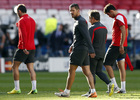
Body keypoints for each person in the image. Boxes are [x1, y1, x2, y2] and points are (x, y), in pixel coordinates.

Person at [55, 3, 97, 98]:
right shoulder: (79, 21)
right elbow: (80, 37)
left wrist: (91, 50)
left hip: (80, 49)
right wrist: (72, 45)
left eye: (73, 10)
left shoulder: (81, 21)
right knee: (87, 71)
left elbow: (86, 36)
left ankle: (67, 91)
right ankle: (93, 91)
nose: (71, 12)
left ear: (78, 10)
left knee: (71, 70)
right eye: (70, 11)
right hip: (82, 48)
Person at [82, 10, 114, 97]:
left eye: (89, 18)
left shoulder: (92, 28)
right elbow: (104, 41)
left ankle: (91, 91)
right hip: (102, 52)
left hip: (93, 53)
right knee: (98, 71)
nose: (89, 20)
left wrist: (89, 52)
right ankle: (110, 83)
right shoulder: (104, 27)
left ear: (93, 18)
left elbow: (90, 42)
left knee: (91, 72)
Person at [7, 4, 37, 94]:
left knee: (14, 66)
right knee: (31, 68)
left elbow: (23, 35)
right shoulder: (32, 20)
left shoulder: (21, 21)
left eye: (17, 12)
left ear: (19, 11)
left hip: (24, 47)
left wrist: (24, 47)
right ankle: (34, 89)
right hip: (32, 47)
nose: (17, 13)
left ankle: (17, 88)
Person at [103, 3, 128, 93]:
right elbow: (126, 30)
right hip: (122, 45)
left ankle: (115, 86)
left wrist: (121, 44)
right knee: (121, 66)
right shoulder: (122, 17)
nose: (109, 16)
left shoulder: (118, 17)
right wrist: (124, 44)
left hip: (117, 45)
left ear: (111, 11)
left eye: (108, 14)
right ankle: (123, 88)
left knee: (106, 63)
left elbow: (123, 30)